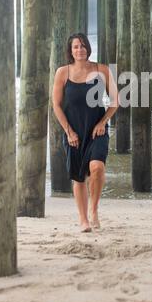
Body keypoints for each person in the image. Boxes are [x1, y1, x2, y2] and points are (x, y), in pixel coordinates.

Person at [52, 33, 119, 232]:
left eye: (82, 46)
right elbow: (56, 105)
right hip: (74, 131)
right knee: (79, 177)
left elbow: (115, 101)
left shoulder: (102, 70)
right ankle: (83, 220)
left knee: (97, 167)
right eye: (75, 47)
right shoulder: (63, 73)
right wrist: (68, 131)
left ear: (88, 48)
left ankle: (94, 209)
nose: (79, 50)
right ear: (70, 51)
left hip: (96, 130)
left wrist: (103, 122)